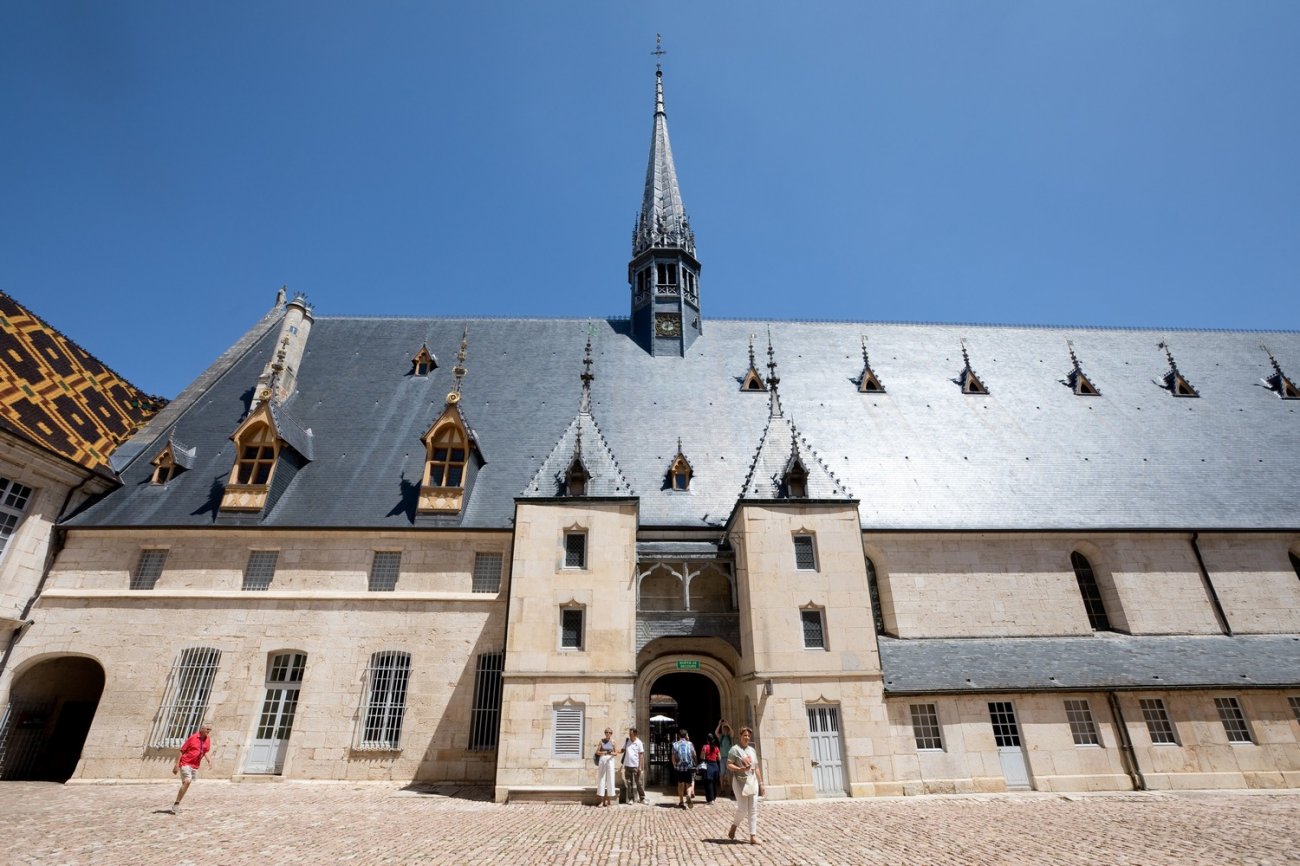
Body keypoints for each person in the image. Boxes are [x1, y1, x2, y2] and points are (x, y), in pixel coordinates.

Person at [726, 726, 764, 845]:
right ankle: (734, 826)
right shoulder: (734, 750)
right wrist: (739, 769)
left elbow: (756, 767)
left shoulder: (752, 750)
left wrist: (761, 783)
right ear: (740, 736)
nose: (747, 737)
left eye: (748, 735)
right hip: (739, 781)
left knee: (753, 808)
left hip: (752, 780)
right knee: (742, 809)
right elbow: (728, 765)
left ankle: (753, 836)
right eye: (744, 735)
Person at [168, 723, 213, 814]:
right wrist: (177, 765)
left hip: (195, 765)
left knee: (186, 784)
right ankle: (176, 804)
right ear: (202, 729)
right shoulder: (193, 738)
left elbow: (204, 751)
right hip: (186, 762)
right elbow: (182, 750)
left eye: (210, 730)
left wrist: (209, 760)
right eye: (207, 729)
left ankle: (177, 803)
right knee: (187, 781)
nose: (209, 731)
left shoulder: (207, 739)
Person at [671, 728, 697, 809]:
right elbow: (694, 754)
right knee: (689, 784)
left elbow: (673, 757)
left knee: (680, 784)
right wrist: (695, 762)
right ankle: (688, 795)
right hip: (688, 767)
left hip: (679, 768)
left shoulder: (675, 744)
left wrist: (674, 765)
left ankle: (681, 801)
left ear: (678, 736)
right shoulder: (690, 744)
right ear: (686, 735)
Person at [594, 726, 618, 806]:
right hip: (603, 759)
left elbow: (616, 753)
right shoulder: (601, 741)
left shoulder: (613, 742)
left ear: (611, 734)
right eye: (606, 732)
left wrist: (610, 753)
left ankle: (608, 799)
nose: (608, 734)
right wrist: (604, 752)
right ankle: (601, 800)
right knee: (601, 779)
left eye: (609, 732)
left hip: (610, 760)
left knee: (610, 779)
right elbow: (597, 752)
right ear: (605, 733)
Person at [621, 726, 645, 804]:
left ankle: (642, 798)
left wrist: (640, 767)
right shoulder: (627, 741)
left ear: (635, 734)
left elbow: (641, 755)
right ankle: (631, 799)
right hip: (627, 765)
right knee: (629, 783)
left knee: (638, 783)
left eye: (631, 734)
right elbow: (623, 750)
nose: (629, 735)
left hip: (635, 766)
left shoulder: (639, 742)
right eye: (629, 733)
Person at [701, 732, 722, 804]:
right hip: (715, 765)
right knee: (714, 782)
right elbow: (719, 758)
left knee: (708, 783)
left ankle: (710, 799)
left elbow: (702, 757)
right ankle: (714, 797)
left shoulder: (705, 747)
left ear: (707, 740)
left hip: (708, 765)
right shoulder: (716, 748)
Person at [715, 720, 734, 795]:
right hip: (722, 758)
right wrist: (719, 724)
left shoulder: (729, 737)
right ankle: (722, 789)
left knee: (731, 774)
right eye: (724, 729)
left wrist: (728, 724)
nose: (725, 730)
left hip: (729, 758)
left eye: (726, 729)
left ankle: (732, 789)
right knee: (722, 774)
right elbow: (716, 733)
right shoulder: (721, 737)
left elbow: (732, 732)